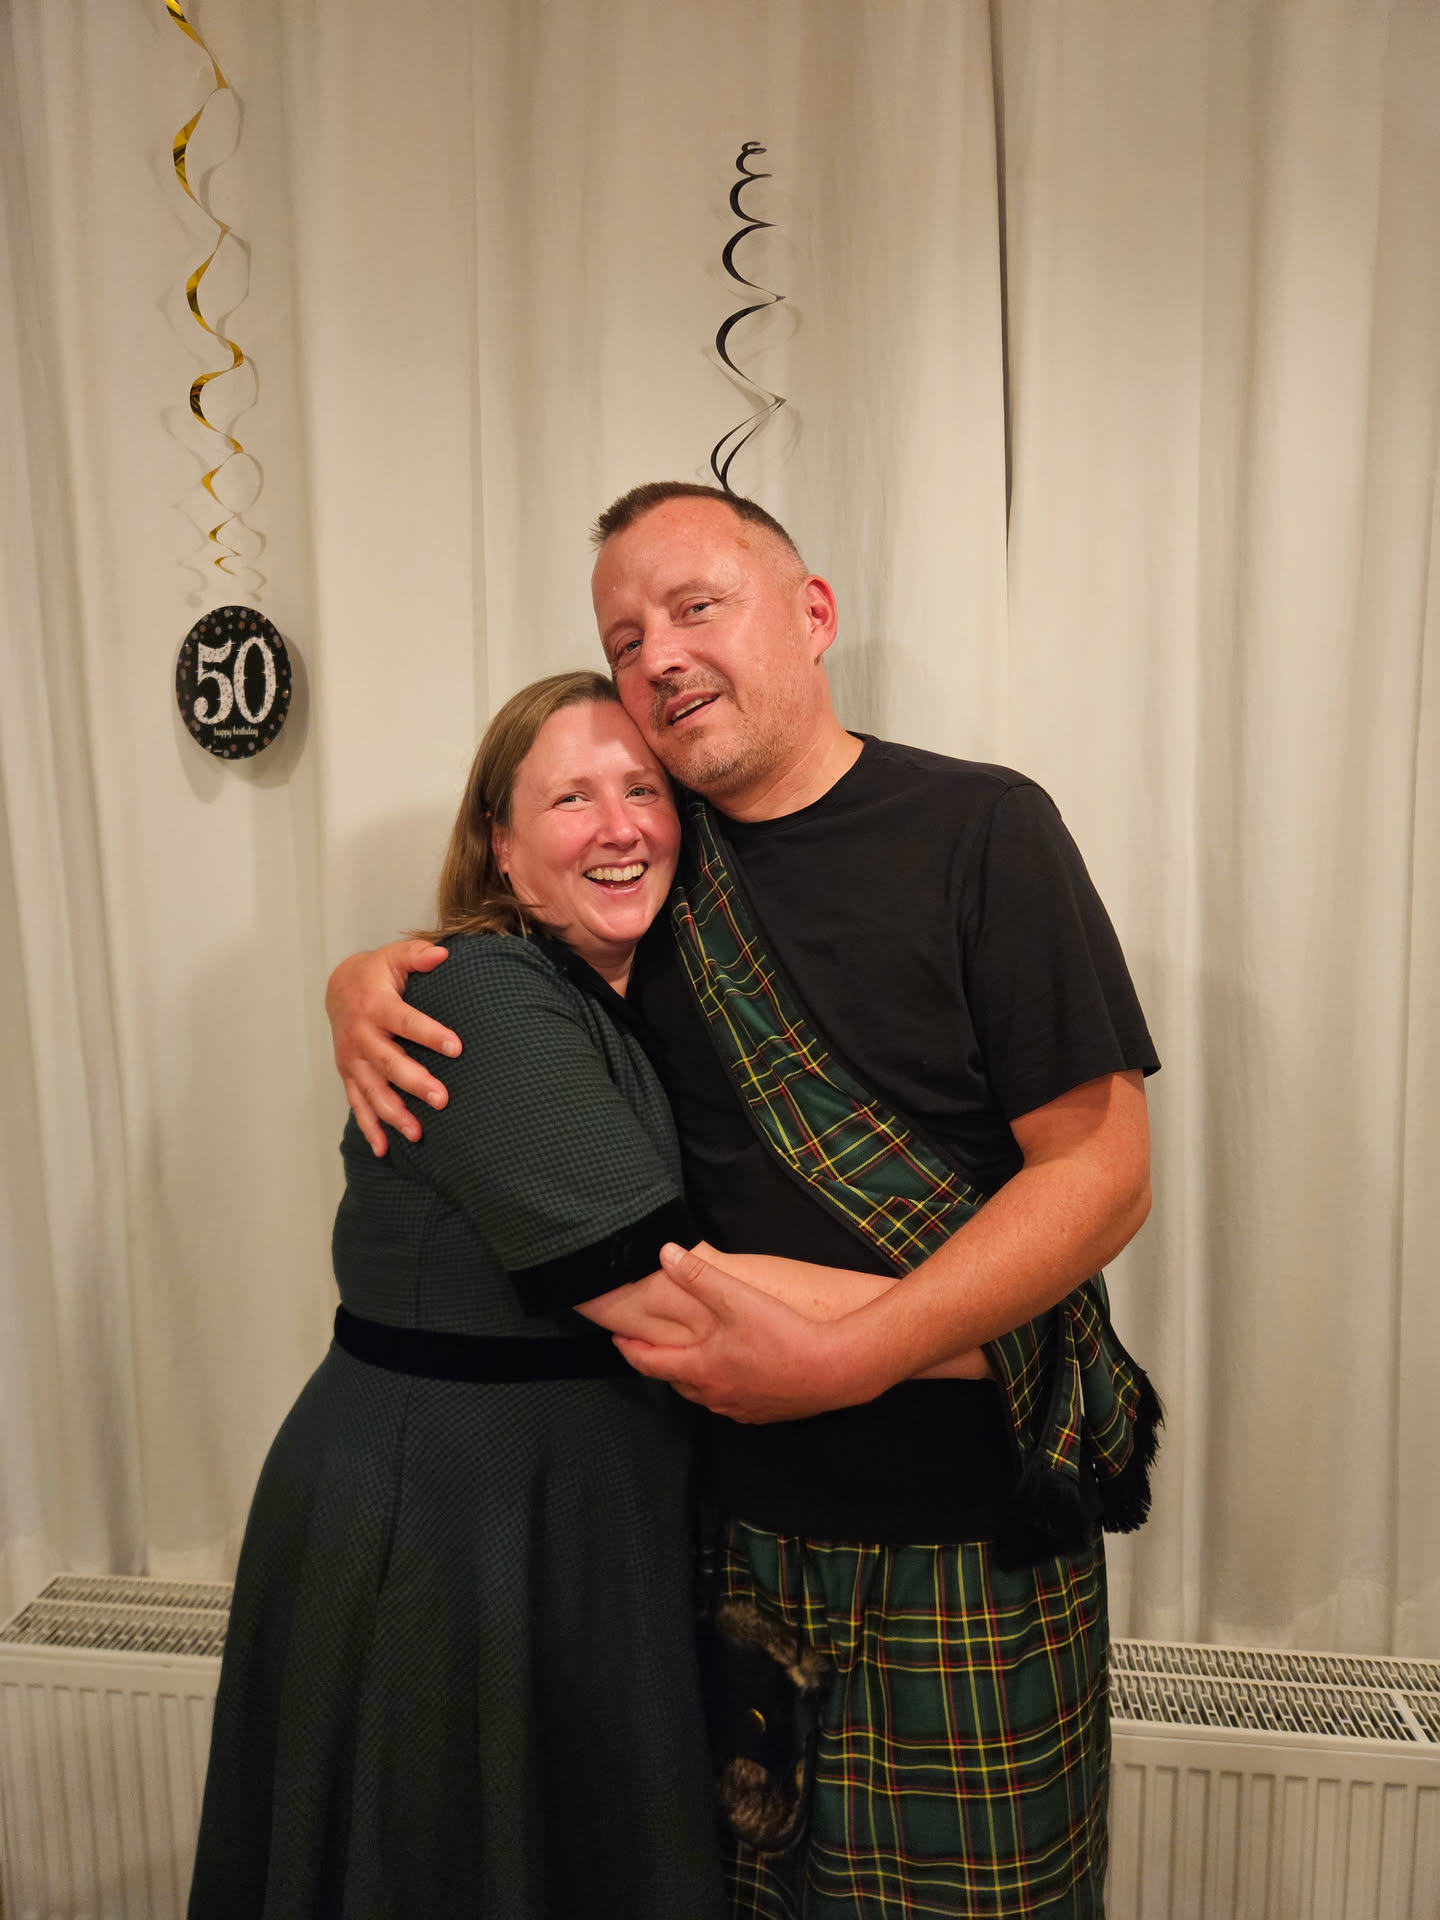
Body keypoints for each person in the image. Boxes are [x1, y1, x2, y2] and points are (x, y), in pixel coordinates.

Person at [328, 486, 1163, 1919]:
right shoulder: (650, 861)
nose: (656, 654)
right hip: (718, 1543)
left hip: (970, 1539)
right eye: (624, 635)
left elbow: (1102, 1170)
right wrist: (367, 975)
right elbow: (511, 970)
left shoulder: (981, 828)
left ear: (812, 612)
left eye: (694, 606)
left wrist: (860, 1353)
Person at [190, 672, 735, 1920]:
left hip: (559, 1518)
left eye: (643, 789)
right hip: (453, 1530)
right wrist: (978, 1337)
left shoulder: (639, 995)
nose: (620, 826)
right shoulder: (482, 992)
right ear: (500, 841)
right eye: (571, 798)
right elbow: (670, 1305)